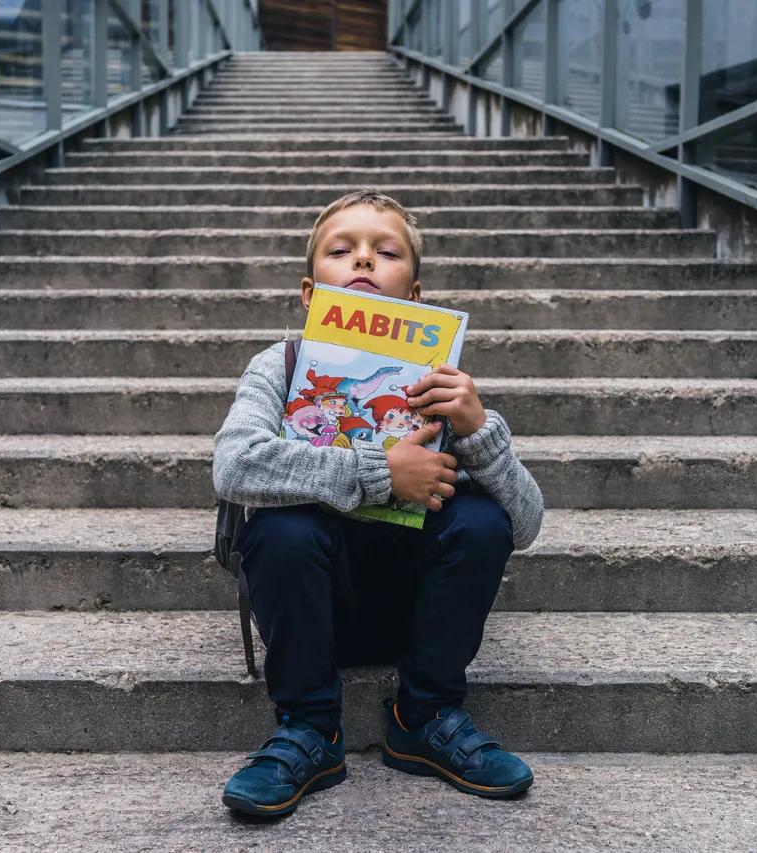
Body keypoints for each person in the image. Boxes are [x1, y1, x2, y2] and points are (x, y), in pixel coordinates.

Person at [212, 189, 544, 818]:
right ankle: (310, 728)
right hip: (311, 610)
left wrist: (479, 432)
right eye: (342, 251)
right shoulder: (279, 366)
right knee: (281, 528)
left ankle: (424, 716)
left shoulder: (444, 388)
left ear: (414, 297)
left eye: (385, 253)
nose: (363, 262)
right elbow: (232, 465)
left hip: (414, 611)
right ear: (312, 294)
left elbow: (524, 525)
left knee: (479, 517)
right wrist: (380, 472)